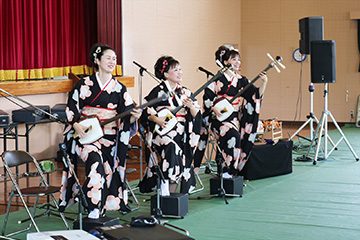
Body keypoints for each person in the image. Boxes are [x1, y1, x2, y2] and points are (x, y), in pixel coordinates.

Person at [58, 43, 141, 219]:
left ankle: (99, 207)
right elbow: (72, 108)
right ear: (97, 60)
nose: (112, 61)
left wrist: (134, 116)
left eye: (115, 59)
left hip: (109, 138)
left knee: (107, 170)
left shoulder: (119, 88)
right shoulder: (84, 84)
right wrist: (75, 125)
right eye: (108, 58)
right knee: (95, 163)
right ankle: (94, 210)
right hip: (86, 136)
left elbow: (126, 115)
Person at [194, 45, 268, 178]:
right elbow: (207, 101)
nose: (238, 62)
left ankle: (229, 169)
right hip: (218, 119)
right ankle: (226, 170)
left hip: (234, 117)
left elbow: (255, 96)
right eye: (234, 59)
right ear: (225, 61)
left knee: (237, 136)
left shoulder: (241, 80)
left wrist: (264, 83)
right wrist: (214, 108)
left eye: (239, 60)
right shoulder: (215, 80)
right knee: (232, 135)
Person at [139, 56, 202, 195]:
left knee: (179, 147)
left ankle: (170, 191)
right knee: (172, 148)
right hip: (162, 134)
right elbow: (145, 113)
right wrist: (157, 120)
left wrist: (191, 107)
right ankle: (166, 190)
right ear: (166, 74)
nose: (180, 72)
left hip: (182, 133)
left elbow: (197, 114)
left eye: (180, 69)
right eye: (175, 70)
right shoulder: (157, 92)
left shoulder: (186, 92)